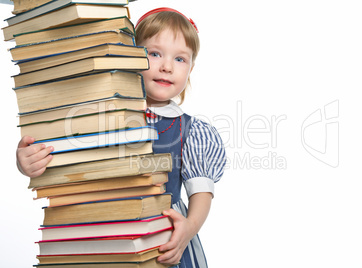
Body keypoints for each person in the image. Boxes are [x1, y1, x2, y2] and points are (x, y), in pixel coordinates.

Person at [16, 7, 226, 268]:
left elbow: (201, 191)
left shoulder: (191, 131)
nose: (167, 66)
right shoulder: (100, 112)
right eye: (154, 53)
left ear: (191, 67)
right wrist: (27, 161)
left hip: (163, 239)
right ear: (131, 57)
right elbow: (64, 157)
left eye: (180, 59)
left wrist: (189, 228)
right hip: (103, 230)